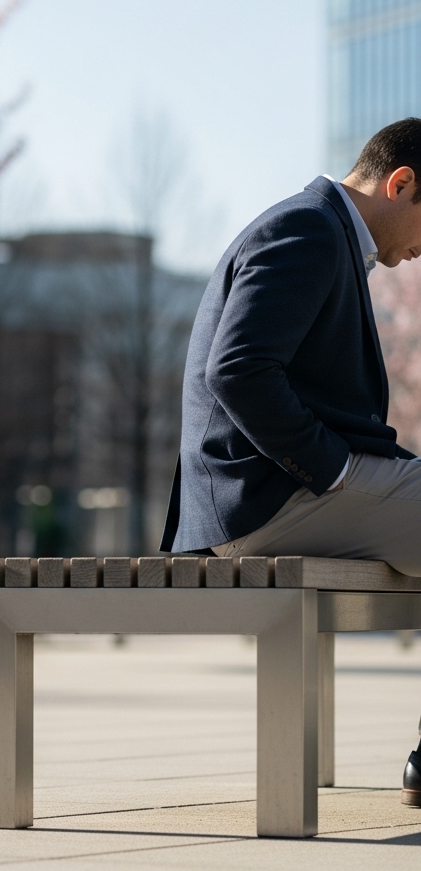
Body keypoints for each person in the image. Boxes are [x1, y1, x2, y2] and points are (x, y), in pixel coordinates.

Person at [160, 117, 421, 806]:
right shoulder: (307, 230)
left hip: (273, 492)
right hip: (269, 497)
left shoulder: (320, 231)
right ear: (402, 184)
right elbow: (239, 370)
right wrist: (334, 470)